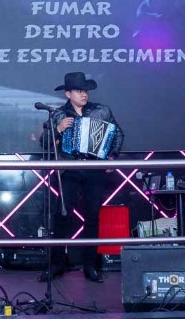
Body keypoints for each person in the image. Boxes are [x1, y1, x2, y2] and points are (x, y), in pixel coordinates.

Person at [39, 72, 124, 283]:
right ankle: (57, 264)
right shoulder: (58, 115)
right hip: (70, 169)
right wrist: (58, 129)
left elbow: (118, 133)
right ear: (68, 94)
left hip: (94, 169)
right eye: (79, 91)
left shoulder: (102, 110)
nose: (84, 94)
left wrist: (112, 156)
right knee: (62, 216)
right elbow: (44, 143)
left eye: (85, 90)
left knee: (93, 217)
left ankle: (90, 266)